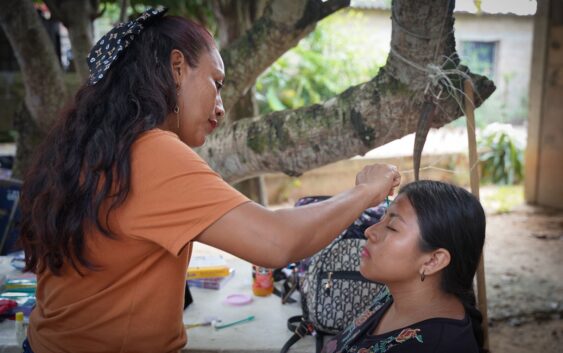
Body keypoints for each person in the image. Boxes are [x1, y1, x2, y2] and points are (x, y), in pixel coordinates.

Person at [18, 7, 400, 353]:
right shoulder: (153, 152)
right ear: (177, 67)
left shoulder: (92, 149)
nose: (220, 105)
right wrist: (364, 192)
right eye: (216, 82)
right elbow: (276, 242)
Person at [321, 180, 487, 353]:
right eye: (382, 217)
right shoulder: (394, 294)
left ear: (433, 261)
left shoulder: (437, 345)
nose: (369, 231)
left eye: (392, 227)